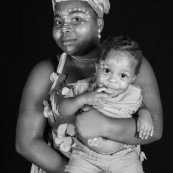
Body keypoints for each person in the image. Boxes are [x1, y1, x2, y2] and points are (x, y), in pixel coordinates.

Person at [15, 0, 163, 173]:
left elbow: (155, 129)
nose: (65, 29)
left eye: (76, 19)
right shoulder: (46, 71)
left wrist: (104, 125)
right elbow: (26, 142)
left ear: (98, 24)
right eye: (58, 22)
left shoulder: (130, 63)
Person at [55, 36, 153, 172]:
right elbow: (62, 110)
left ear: (133, 78)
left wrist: (145, 115)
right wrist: (83, 99)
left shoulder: (133, 93)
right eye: (107, 70)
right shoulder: (84, 87)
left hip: (123, 157)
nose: (112, 80)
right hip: (85, 156)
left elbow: (140, 107)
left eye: (123, 76)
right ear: (97, 67)